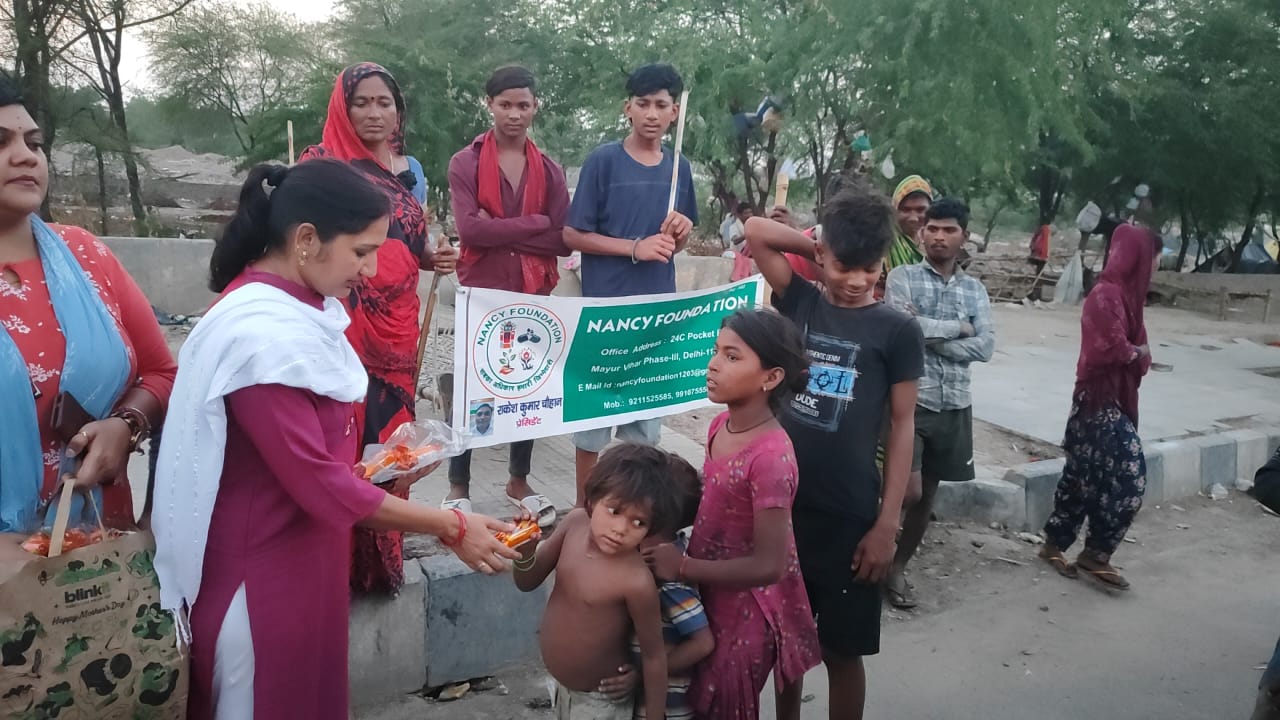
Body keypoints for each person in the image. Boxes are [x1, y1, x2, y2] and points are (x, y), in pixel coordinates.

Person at [151, 160, 522, 720]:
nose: (372, 270)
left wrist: (386, 459)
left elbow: (314, 457)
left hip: (306, 558)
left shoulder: (301, 309)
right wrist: (451, 524)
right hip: (263, 577)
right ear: (306, 240)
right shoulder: (261, 336)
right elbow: (319, 484)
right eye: (361, 251)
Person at [745, 183, 925, 720]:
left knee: (842, 651)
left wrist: (886, 525)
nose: (855, 281)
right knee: (785, 644)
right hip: (783, 508)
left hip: (851, 516)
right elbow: (756, 232)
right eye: (843, 266)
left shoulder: (897, 331)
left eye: (868, 268)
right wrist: (819, 251)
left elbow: (901, 426)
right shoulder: (798, 300)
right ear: (822, 255)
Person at [299, 62, 460, 594]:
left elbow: (411, 243)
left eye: (384, 102)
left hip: (397, 332)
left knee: (392, 446)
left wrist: (433, 256)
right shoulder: (318, 164)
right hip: (343, 327)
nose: (374, 113)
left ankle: (379, 563)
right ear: (342, 107)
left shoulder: (406, 167)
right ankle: (332, 564)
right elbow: (303, 248)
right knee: (342, 439)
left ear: (398, 110)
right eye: (361, 102)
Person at [0, 76, 175, 533]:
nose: (25, 155)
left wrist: (125, 425)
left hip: (96, 560)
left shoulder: (85, 255)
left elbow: (162, 373)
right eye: (0, 142)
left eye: (33, 142)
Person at [644, 309, 821, 720]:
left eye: (732, 356)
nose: (713, 364)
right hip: (711, 588)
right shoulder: (720, 425)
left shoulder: (771, 457)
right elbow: (716, 506)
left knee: (725, 699)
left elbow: (769, 565)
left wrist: (683, 567)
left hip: (747, 607)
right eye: (715, 351)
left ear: (771, 378)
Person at [564, 63, 697, 504]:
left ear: (675, 112)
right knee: (592, 427)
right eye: (643, 104)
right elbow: (573, 234)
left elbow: (674, 244)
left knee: (643, 431)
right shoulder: (603, 160)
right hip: (604, 315)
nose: (652, 114)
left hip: (655, 319)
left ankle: (631, 511)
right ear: (628, 108)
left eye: (661, 105)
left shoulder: (680, 168)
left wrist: (680, 234)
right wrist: (633, 248)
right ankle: (585, 511)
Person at [445, 64, 570, 516]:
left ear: (535, 107)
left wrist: (501, 228)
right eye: (505, 105)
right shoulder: (467, 162)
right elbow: (470, 232)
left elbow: (561, 238)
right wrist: (535, 222)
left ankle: (518, 481)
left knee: (526, 386)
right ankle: (459, 485)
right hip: (483, 290)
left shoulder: (550, 170)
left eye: (523, 105)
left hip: (533, 291)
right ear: (490, 106)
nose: (514, 114)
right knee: (473, 386)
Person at [513, 443, 683, 720]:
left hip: (601, 703)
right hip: (559, 689)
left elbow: (654, 656)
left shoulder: (635, 581)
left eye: (638, 523)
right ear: (593, 499)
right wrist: (525, 553)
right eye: (614, 511)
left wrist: (653, 713)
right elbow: (527, 581)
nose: (620, 529)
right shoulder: (573, 524)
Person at [883, 198, 995, 609]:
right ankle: (872, 552)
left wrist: (934, 337)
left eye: (948, 230)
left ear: (963, 236)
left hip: (955, 404)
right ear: (921, 232)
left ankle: (896, 568)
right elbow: (903, 326)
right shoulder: (903, 277)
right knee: (905, 491)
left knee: (927, 495)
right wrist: (958, 329)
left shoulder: (974, 289)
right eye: (932, 228)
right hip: (911, 401)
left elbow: (986, 346)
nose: (938, 236)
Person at [1038, 223, 1161, 591]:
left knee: (1081, 476)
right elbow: (1112, 349)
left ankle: (1058, 547)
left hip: (1112, 400)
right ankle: (1095, 551)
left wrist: (1137, 353)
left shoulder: (1130, 299)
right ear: (1138, 257)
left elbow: (1138, 356)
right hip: (1096, 402)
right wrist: (1137, 352)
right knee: (1129, 476)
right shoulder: (1105, 295)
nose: (1155, 266)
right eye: (1153, 258)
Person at [632, 453, 714, 720]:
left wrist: (643, 674)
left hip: (665, 704)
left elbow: (702, 642)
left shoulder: (665, 577)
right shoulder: (663, 554)